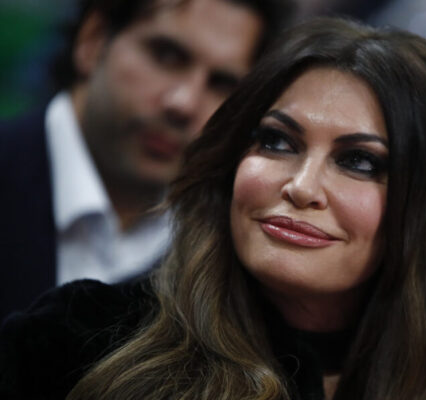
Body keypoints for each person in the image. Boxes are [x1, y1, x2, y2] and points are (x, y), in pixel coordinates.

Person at [0, 18, 426, 400]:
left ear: (423, 208)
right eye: (277, 142)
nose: (301, 186)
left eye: (359, 162)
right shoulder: (76, 341)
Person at [0, 0, 294, 320]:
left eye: (222, 83)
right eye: (166, 56)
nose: (184, 103)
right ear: (93, 39)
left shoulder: (225, 257)